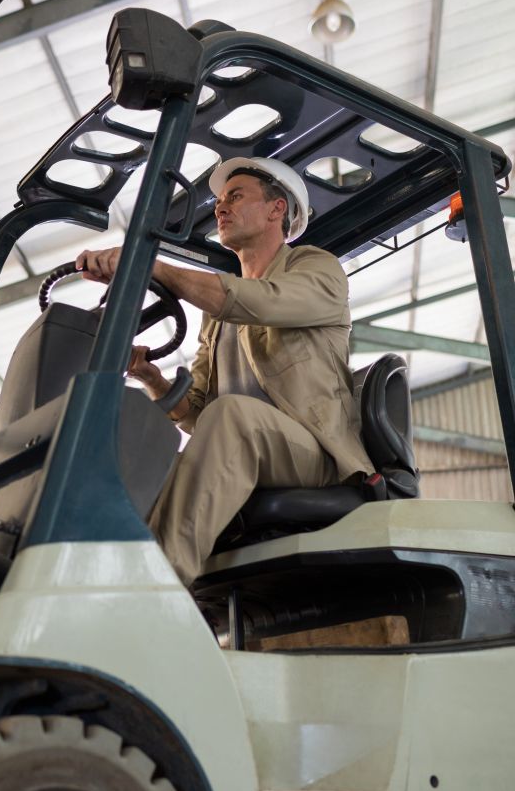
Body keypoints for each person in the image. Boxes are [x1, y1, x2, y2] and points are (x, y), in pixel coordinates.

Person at [76, 156, 373, 587]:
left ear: (277, 210)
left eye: (235, 196)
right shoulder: (215, 314)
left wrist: (152, 266)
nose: (220, 208)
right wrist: (151, 378)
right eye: (217, 200)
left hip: (318, 456)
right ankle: (99, 579)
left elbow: (264, 302)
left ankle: (157, 587)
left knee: (233, 416)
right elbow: (198, 413)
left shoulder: (316, 268)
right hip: (249, 445)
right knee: (145, 459)